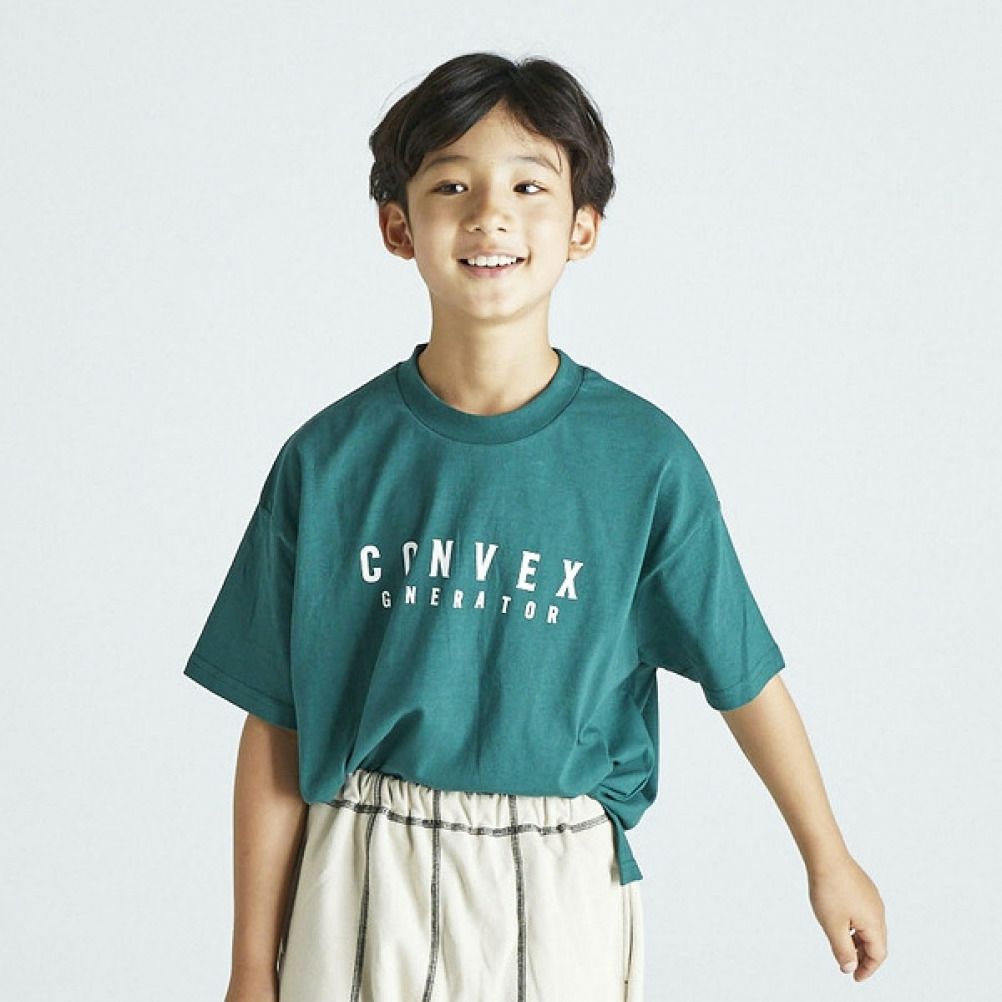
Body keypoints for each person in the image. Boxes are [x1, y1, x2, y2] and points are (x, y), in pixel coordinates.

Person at [183, 51, 887, 1002]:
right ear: (398, 226)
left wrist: (827, 857)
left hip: (560, 882)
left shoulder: (644, 461)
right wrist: (247, 964)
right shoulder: (328, 460)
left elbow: (745, 675)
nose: (490, 215)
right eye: (451, 185)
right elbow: (276, 721)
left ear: (582, 226)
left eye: (528, 186)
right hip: (361, 868)